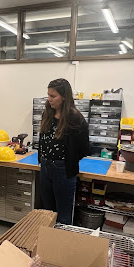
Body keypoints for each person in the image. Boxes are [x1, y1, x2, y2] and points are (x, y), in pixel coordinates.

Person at [38, 78, 90, 225]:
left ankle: (61, 246)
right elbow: (43, 139)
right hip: (46, 167)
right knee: (48, 213)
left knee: (63, 216)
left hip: (63, 170)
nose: (49, 100)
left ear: (64, 96)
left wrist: (69, 160)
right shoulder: (47, 114)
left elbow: (84, 148)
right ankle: (49, 244)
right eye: (48, 95)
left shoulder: (75, 118)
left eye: (53, 96)